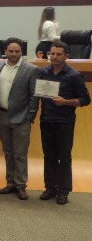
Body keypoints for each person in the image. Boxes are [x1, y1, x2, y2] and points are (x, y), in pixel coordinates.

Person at [38, 41, 90, 205]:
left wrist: (66, 102)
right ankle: (50, 188)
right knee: (49, 156)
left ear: (66, 56)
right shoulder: (43, 72)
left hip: (64, 122)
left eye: (58, 54)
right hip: (46, 120)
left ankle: (63, 191)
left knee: (64, 158)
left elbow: (86, 100)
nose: (54, 57)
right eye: (52, 54)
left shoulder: (74, 75)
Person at [0, 37, 40, 200]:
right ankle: (11, 182)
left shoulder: (31, 69)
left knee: (20, 153)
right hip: (1, 115)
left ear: (22, 52)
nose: (14, 54)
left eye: (17, 51)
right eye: (10, 51)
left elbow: (34, 95)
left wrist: (30, 116)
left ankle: (21, 185)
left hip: (21, 118)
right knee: (8, 152)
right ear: (5, 51)